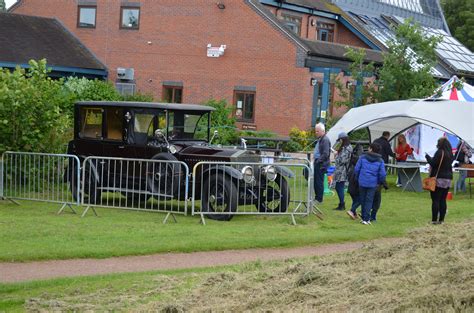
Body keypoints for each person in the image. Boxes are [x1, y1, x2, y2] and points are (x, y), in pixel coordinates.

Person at [354, 143, 387, 225]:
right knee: (369, 200)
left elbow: (356, 169)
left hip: (362, 181)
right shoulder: (380, 160)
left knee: (363, 199)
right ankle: (367, 218)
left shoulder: (362, 157)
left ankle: (363, 217)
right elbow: (382, 174)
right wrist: (380, 182)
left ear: (371, 149)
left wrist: (357, 178)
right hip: (373, 183)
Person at [425, 137, 453, 224]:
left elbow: (433, 163)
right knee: (443, 200)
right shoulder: (450, 154)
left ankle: (434, 220)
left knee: (435, 200)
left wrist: (427, 157)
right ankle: (441, 220)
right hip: (448, 179)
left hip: (438, 179)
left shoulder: (440, 152)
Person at [332, 132, 353, 210]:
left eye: (340, 140)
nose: (339, 141)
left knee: (339, 187)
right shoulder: (348, 147)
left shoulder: (346, 148)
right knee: (339, 187)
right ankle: (341, 203)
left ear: (342, 139)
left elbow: (342, 160)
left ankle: (342, 204)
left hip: (342, 171)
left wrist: (335, 155)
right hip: (342, 170)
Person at [313, 123, 331, 203]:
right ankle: (317, 197)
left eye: (317, 131)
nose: (316, 133)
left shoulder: (325, 140)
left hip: (321, 164)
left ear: (322, 131)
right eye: (315, 131)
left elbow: (326, 154)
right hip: (318, 162)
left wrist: (318, 160)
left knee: (319, 182)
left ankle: (319, 199)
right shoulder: (321, 139)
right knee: (316, 181)